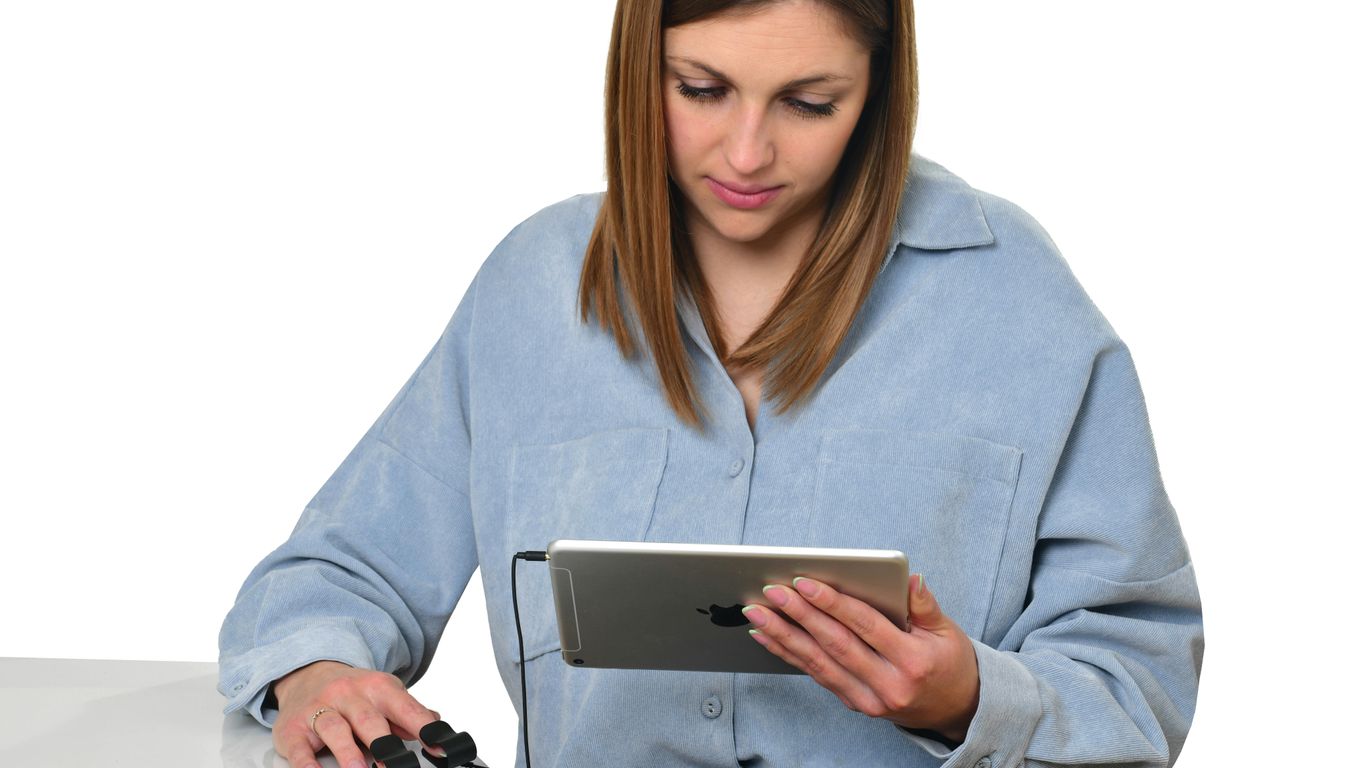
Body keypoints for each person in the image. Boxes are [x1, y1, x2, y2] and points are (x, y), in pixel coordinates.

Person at [218, 0, 1204, 765]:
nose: (745, 153)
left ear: (879, 86)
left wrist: (966, 700)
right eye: (699, 89)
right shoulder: (532, 289)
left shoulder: (1014, 296)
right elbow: (336, 574)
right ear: (636, 67)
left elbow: (1139, 673)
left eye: (809, 103)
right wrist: (318, 674)